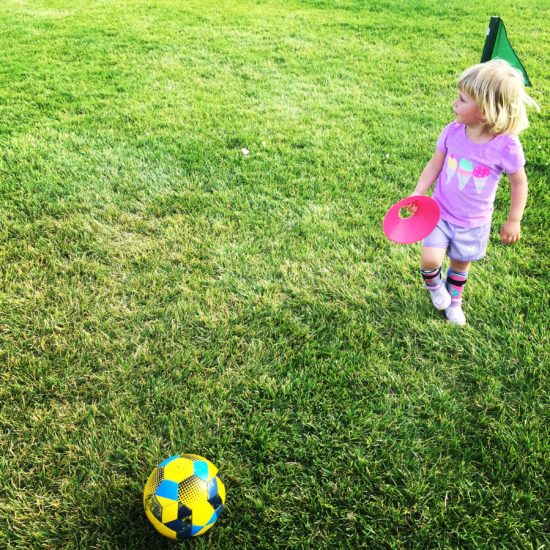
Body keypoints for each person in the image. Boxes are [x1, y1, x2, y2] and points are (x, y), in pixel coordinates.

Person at [410, 59, 539, 325]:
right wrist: (419, 192)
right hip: (440, 212)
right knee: (428, 260)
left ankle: (454, 301)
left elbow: (519, 183)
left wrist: (514, 219)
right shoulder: (452, 131)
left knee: (460, 265)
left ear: (486, 110)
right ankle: (435, 287)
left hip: (473, 222)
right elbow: (435, 163)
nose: (454, 104)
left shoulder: (506, 146)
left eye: (462, 100)